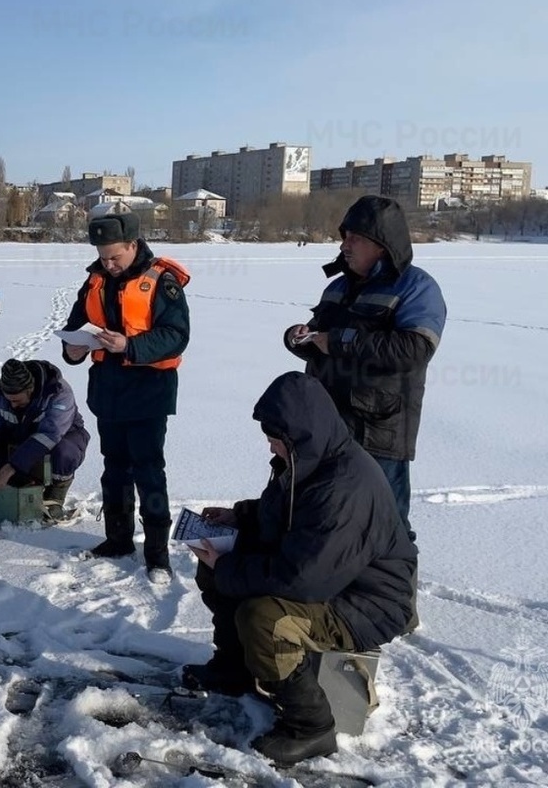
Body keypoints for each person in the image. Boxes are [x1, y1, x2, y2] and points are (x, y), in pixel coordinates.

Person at [183, 371, 417, 766]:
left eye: (275, 436)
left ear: (299, 434)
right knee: (218, 570)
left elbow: (303, 581)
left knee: (265, 617)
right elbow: (284, 513)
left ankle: (312, 726)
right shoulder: (309, 459)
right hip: (329, 580)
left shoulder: (345, 487)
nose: (269, 444)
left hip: (367, 603)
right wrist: (238, 517)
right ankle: (235, 668)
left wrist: (229, 566)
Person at [284, 195, 446, 542]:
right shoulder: (339, 287)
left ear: (382, 244)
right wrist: (299, 338)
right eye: (344, 237)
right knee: (330, 519)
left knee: (385, 527)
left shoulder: (416, 287)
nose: (345, 245)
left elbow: (414, 349)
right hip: (327, 424)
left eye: (355, 238)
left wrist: (338, 340)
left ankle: (394, 595)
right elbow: (321, 341)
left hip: (378, 431)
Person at [61, 211, 190, 581]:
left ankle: (157, 555)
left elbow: (176, 335)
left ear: (134, 245)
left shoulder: (162, 281)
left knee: (149, 473)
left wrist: (129, 345)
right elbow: (75, 326)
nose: (108, 263)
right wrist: (73, 350)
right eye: (103, 257)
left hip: (148, 393)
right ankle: (118, 540)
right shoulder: (95, 280)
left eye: (115, 256)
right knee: (114, 470)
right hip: (109, 391)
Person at [0, 359, 90, 521]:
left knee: (64, 453)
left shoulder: (59, 392)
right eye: (9, 400)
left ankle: (55, 495)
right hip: (21, 435)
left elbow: (50, 434)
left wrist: (9, 468)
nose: (12, 405)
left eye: (17, 401)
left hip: (63, 436)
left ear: (30, 390)